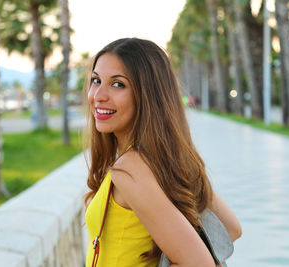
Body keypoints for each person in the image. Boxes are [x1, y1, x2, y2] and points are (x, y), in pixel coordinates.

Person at [84, 38, 241, 267]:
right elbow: (230, 228)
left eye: (118, 84)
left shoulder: (130, 168)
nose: (98, 95)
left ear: (148, 95)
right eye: (96, 80)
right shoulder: (163, 159)